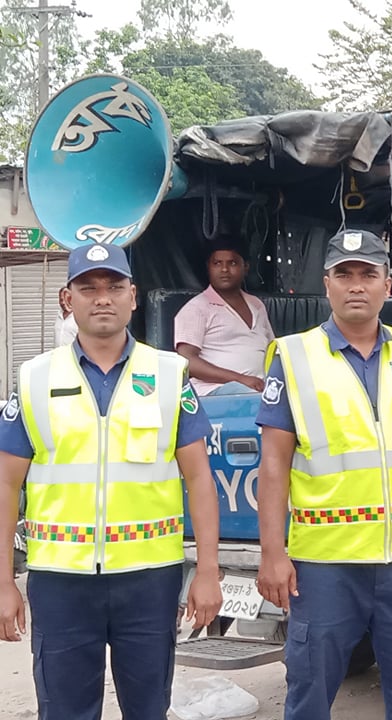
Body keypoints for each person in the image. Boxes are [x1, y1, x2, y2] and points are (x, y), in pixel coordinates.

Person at [0, 243, 222, 720]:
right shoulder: (35, 378)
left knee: (148, 709)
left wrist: (208, 571)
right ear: (68, 299)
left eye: (114, 287)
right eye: (88, 288)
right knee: (64, 711)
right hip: (60, 581)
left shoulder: (169, 375)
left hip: (149, 579)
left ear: (133, 297)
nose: (102, 298)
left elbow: (200, 478)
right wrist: (3, 582)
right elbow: (6, 486)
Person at [255, 229, 392, 720]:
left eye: (368, 274)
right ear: (326, 285)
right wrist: (272, 553)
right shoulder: (293, 356)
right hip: (325, 565)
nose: (356, 285)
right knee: (310, 691)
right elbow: (274, 465)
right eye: (343, 275)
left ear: (388, 285)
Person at [175, 238, 275, 396]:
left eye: (232, 263)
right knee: (253, 399)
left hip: (259, 388)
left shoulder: (257, 305)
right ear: (208, 268)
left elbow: (272, 349)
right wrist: (240, 379)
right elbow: (187, 360)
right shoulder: (196, 308)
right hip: (213, 390)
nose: (224, 269)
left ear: (246, 267)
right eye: (217, 263)